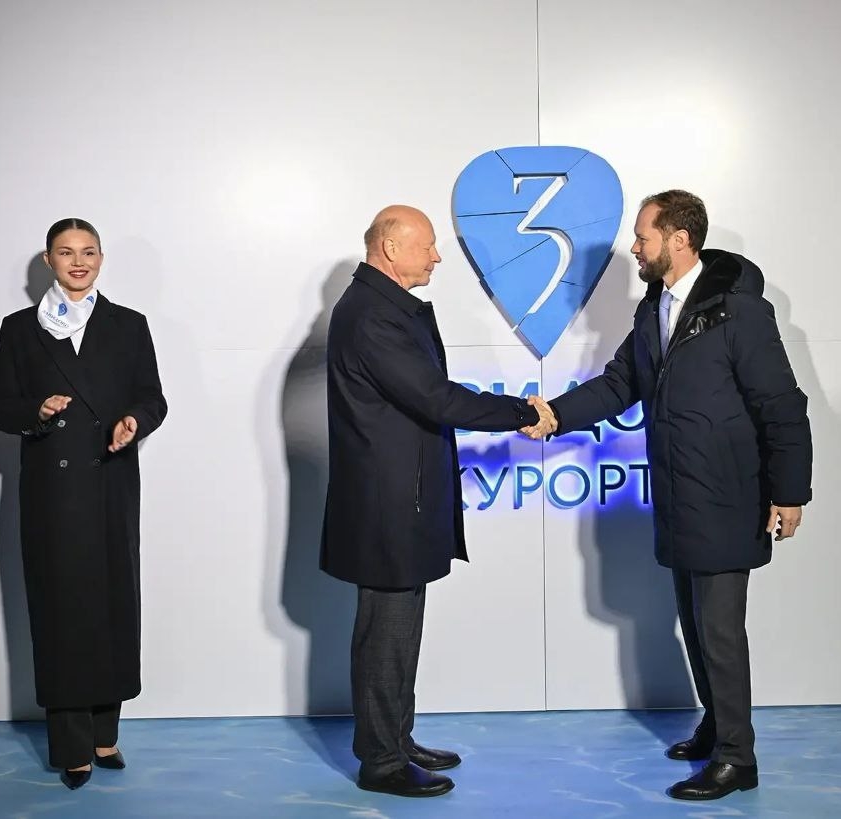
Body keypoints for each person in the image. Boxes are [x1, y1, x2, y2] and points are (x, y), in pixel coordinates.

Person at [546, 190, 812, 800]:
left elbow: (782, 405)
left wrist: (790, 492)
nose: (635, 248)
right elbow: (619, 384)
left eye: (643, 237)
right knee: (695, 626)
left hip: (727, 496)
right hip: (677, 493)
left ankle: (738, 760)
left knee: (720, 632)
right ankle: (717, 727)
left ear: (679, 239)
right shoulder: (655, 309)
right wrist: (554, 414)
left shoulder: (739, 312)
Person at [321, 205, 554, 798]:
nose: (437, 256)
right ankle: (382, 761)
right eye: (426, 245)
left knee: (399, 631)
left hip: (403, 498)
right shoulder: (372, 315)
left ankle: (396, 739)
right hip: (388, 504)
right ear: (390, 247)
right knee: (386, 635)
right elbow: (437, 398)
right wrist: (521, 411)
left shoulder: (385, 307)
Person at [0, 218, 168, 789]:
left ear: (101, 258)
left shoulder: (129, 324)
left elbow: (153, 397)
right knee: (63, 611)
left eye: (88, 251)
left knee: (113, 604)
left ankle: (106, 733)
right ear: (49, 261)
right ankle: (70, 745)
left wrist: (134, 421)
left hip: (111, 481)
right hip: (53, 493)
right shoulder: (20, 329)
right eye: (66, 253)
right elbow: (0, 408)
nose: (79, 261)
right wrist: (37, 412)